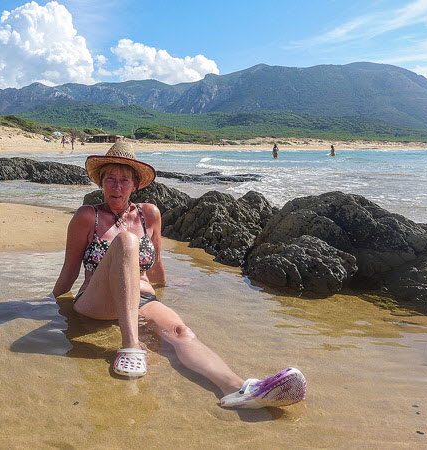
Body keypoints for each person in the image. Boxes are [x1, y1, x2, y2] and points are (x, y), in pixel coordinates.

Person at [51, 142, 306, 409]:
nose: (117, 187)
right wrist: (51, 303)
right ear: (101, 183)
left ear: (135, 185)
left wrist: (165, 287)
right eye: (110, 179)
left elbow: (156, 263)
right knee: (126, 241)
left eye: (124, 180)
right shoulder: (87, 216)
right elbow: (69, 271)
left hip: (142, 299)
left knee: (180, 331)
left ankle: (240, 389)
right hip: (97, 301)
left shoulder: (149, 214)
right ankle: (131, 347)